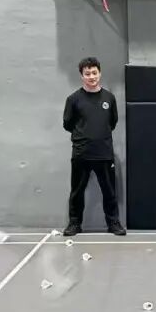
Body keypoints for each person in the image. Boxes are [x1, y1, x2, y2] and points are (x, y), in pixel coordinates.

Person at [62, 57, 125, 236]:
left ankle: (113, 223)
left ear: (100, 73)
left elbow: (112, 122)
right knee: (77, 192)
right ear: (82, 76)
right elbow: (68, 124)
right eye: (87, 73)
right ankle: (74, 224)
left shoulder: (109, 98)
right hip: (81, 153)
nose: (91, 77)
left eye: (94, 73)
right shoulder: (73, 99)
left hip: (104, 153)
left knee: (109, 191)